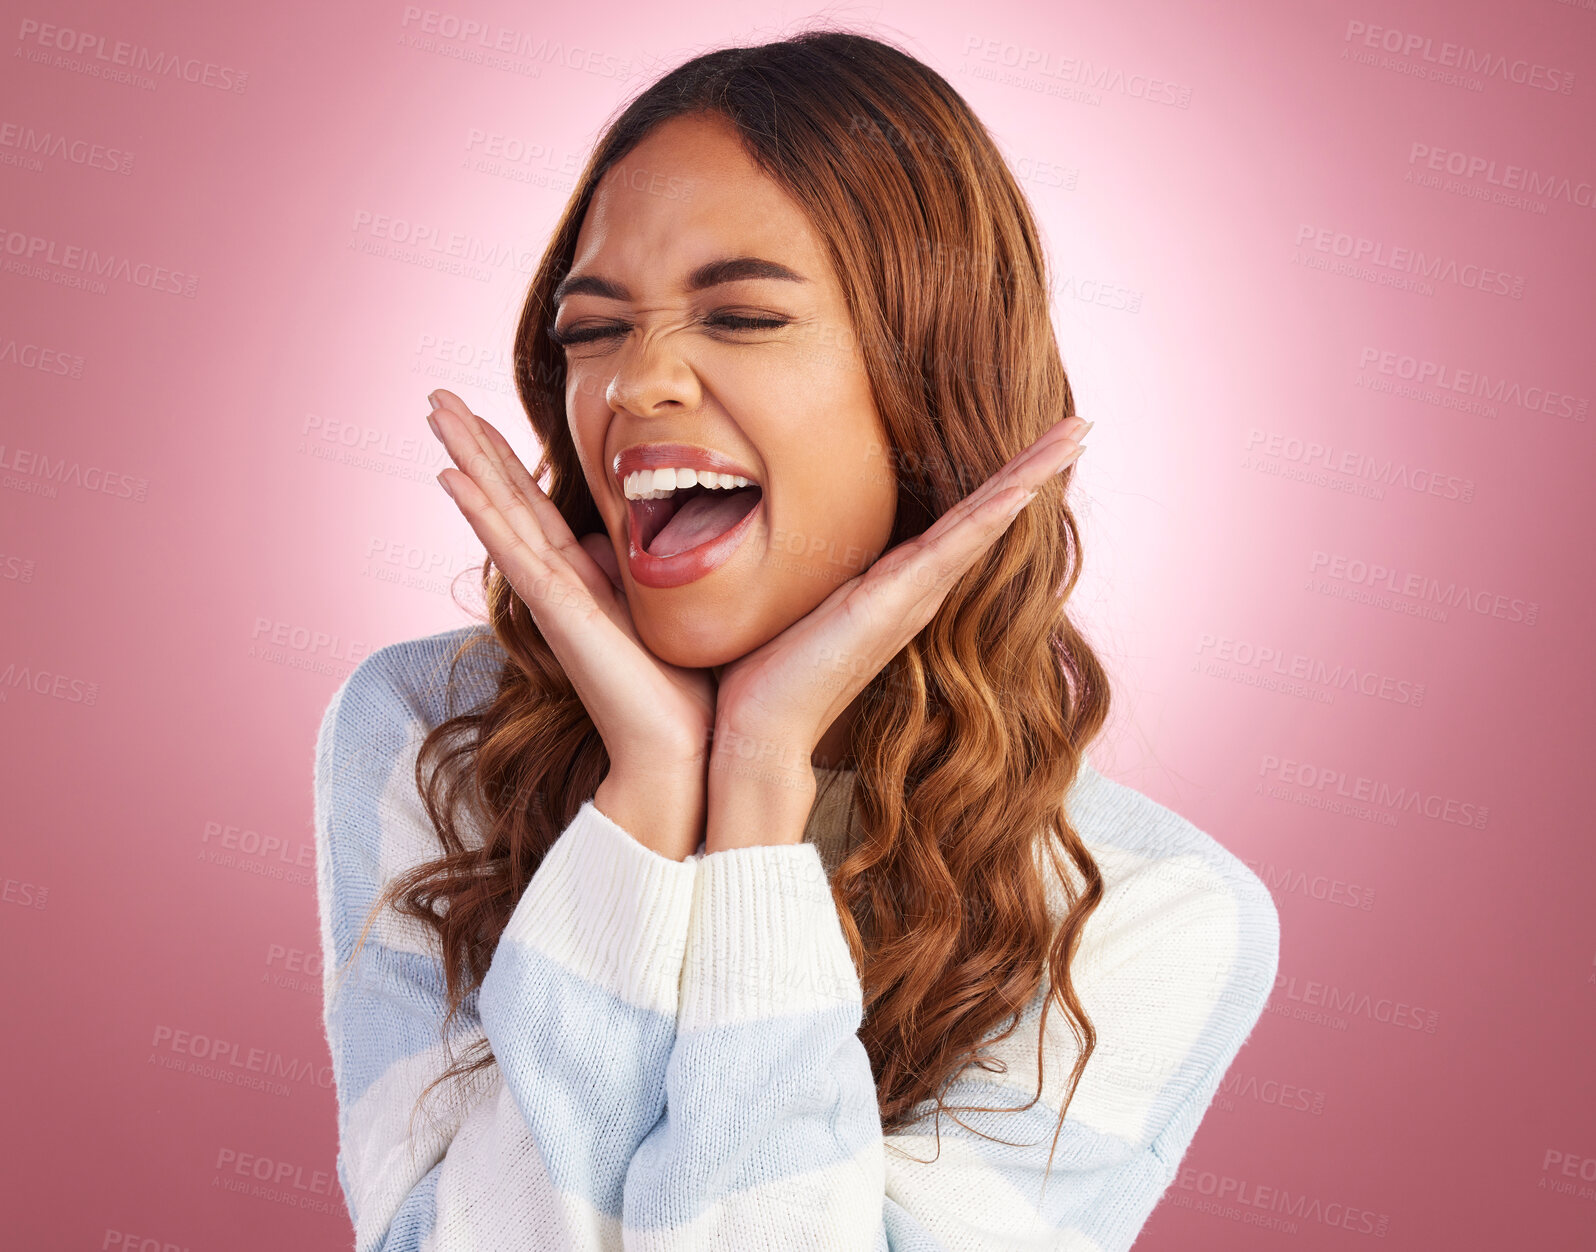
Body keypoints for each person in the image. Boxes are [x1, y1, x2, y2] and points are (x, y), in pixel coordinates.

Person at [312, 27, 1279, 1250]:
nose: (636, 384)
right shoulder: (429, 731)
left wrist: (761, 788)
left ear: (931, 378)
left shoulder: (1154, 914)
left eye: (744, 316)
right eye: (593, 329)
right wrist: (648, 793)